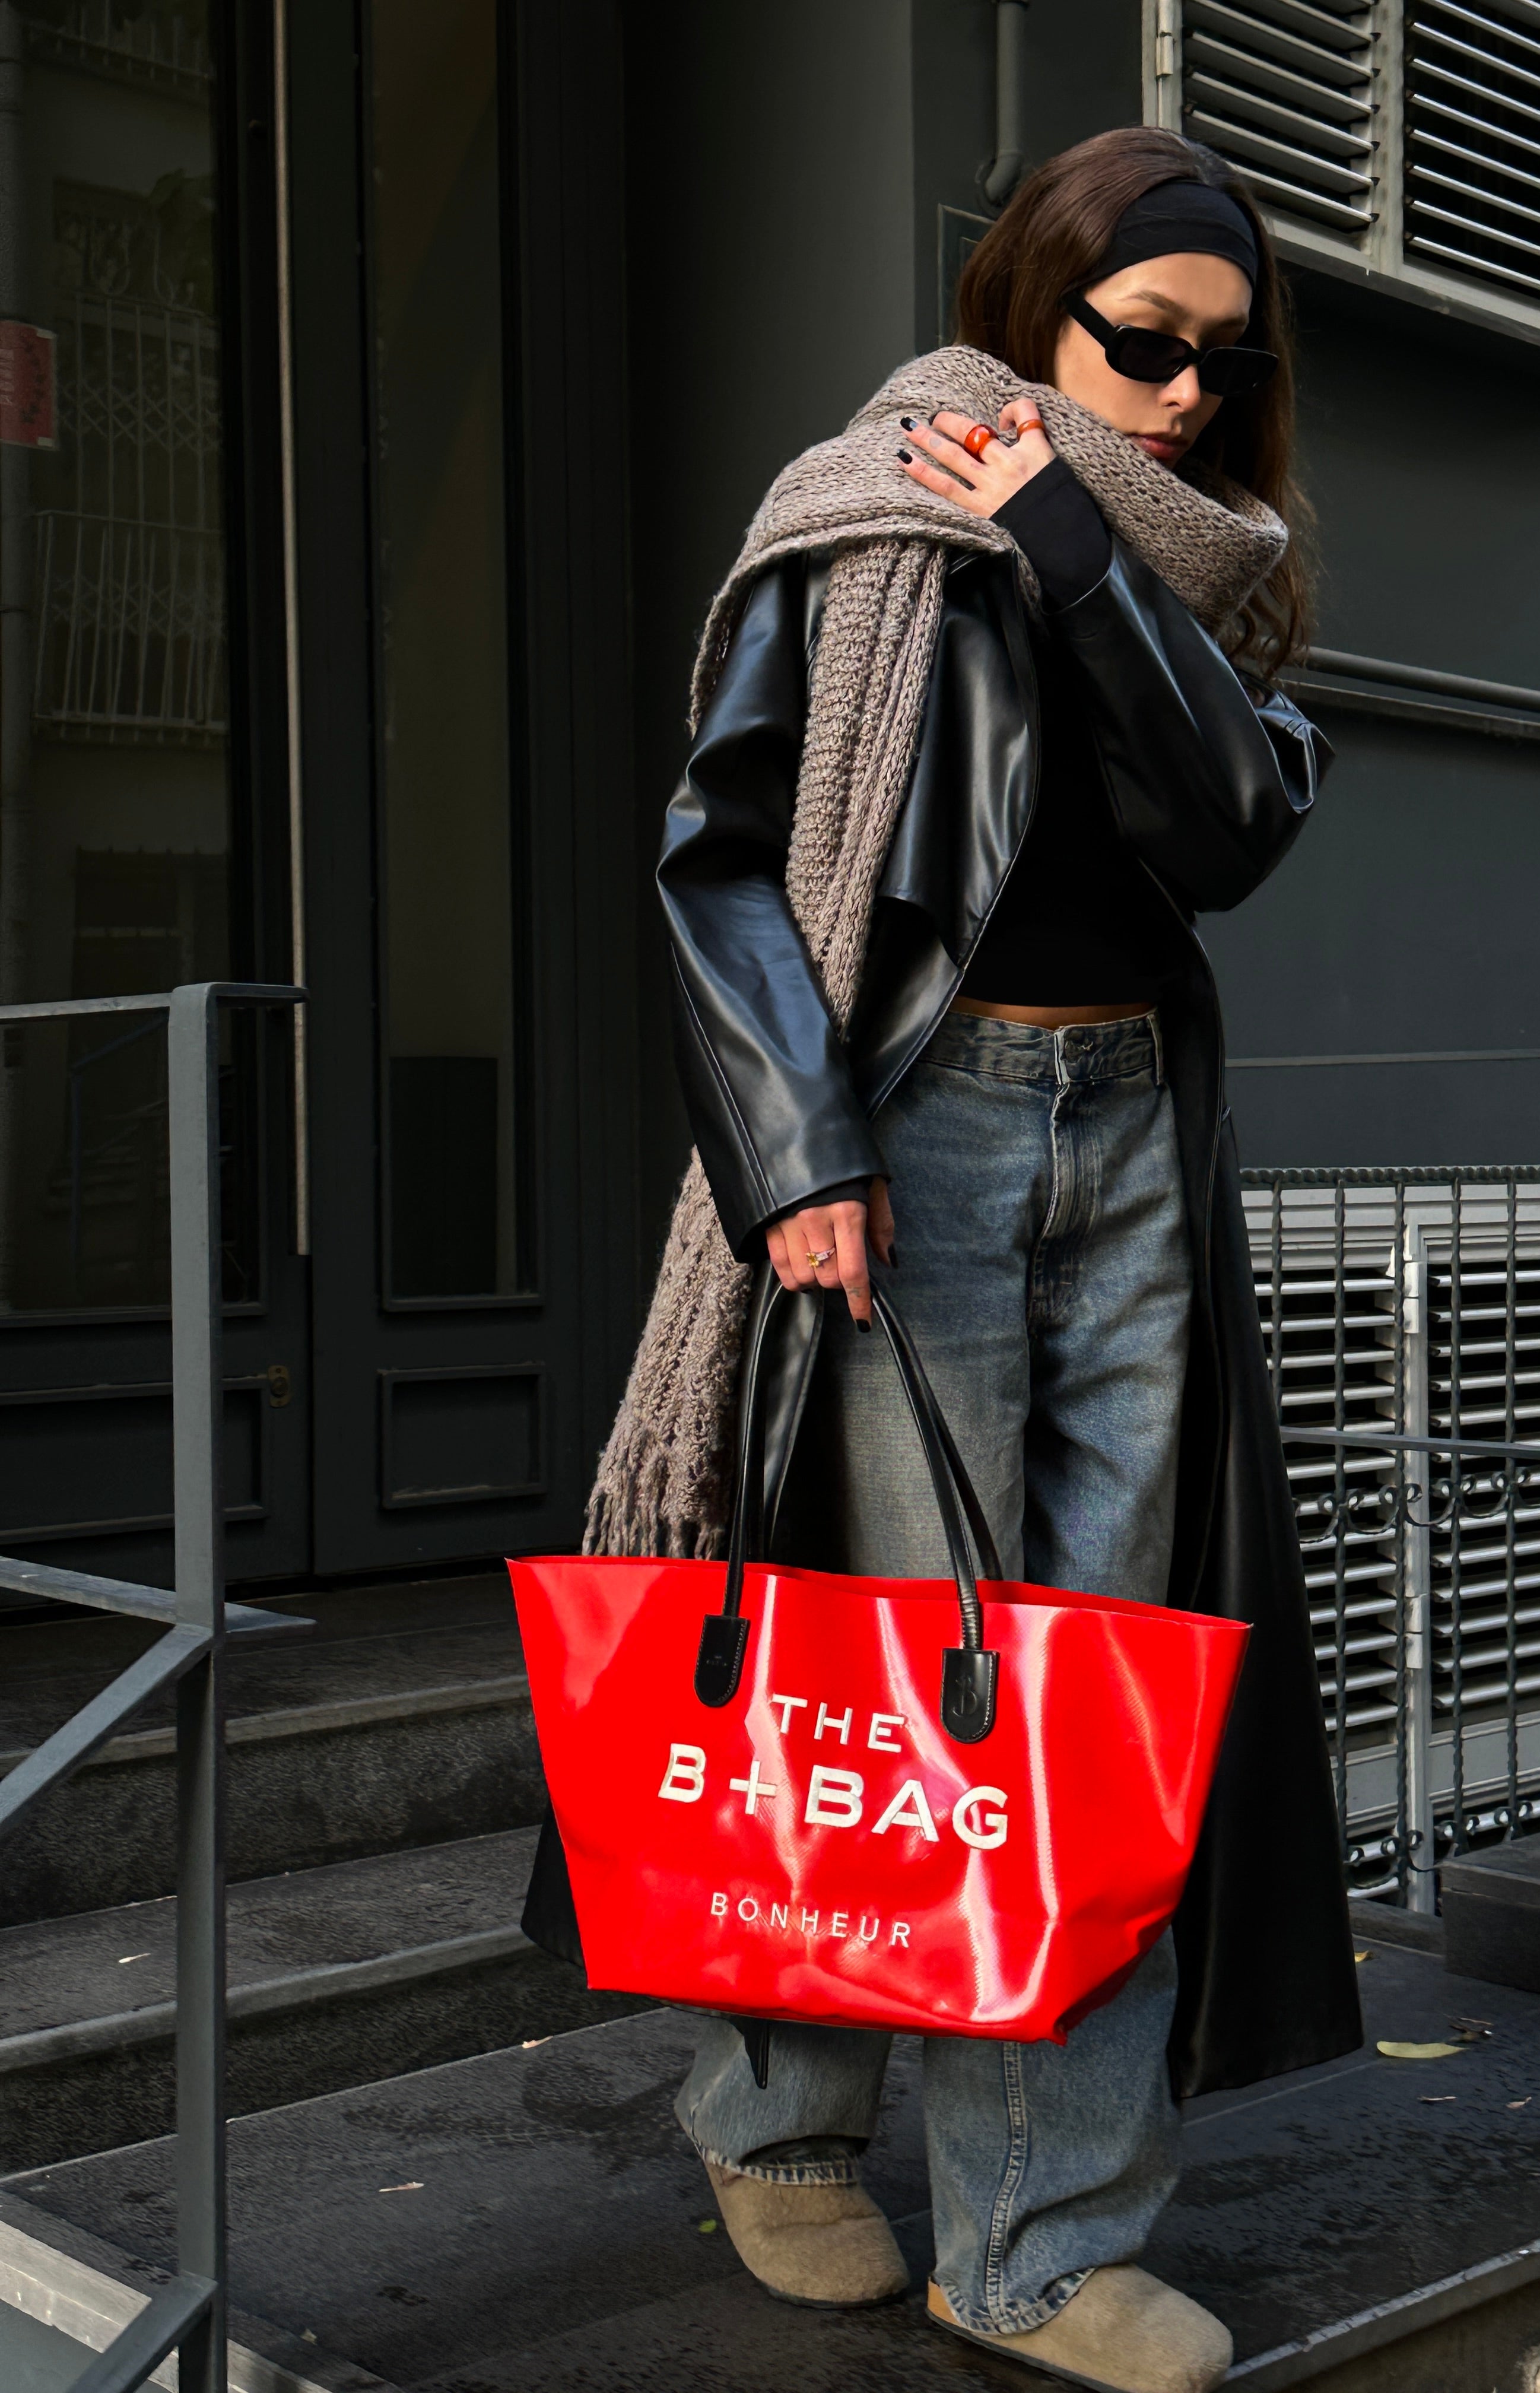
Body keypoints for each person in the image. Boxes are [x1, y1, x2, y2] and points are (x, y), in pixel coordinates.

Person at [527, 125, 1362, 2393]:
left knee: (1089, 1694)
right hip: (923, 1137)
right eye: (1139, 345)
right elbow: (721, 855)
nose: (1187, 395)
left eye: (1225, 361)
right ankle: (780, 2117)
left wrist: (1081, 542)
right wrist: (794, 1144)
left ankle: (1033, 2241)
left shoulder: (1186, 568)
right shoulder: (859, 516)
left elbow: (1232, 830)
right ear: (1035, 302)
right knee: (909, 1689)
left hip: (1135, 1152)